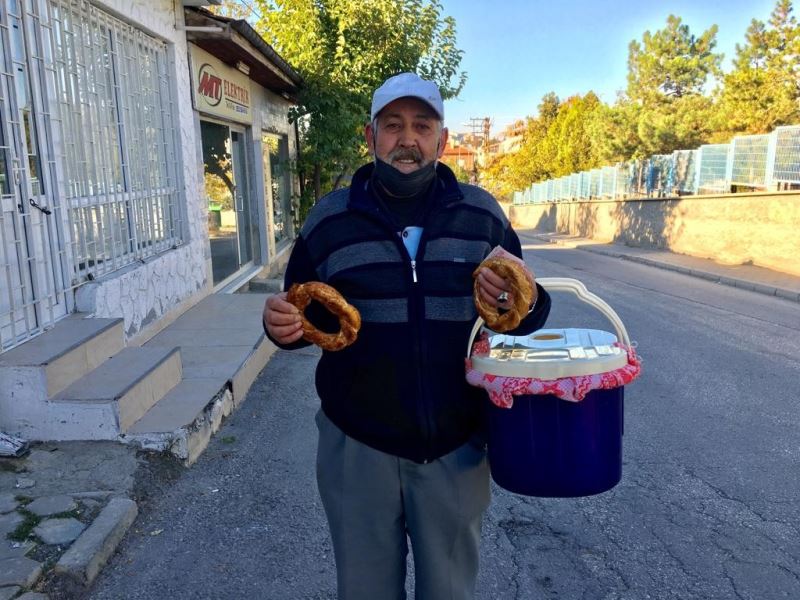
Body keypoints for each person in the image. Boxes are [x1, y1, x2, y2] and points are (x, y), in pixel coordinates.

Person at [262, 72, 551, 600]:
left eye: (422, 125)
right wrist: (280, 328)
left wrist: (513, 302)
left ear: (441, 140)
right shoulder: (330, 219)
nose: (407, 139)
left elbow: (523, 309)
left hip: (455, 448)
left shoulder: (481, 215)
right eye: (392, 125)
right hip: (357, 447)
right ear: (370, 138)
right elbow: (303, 316)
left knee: (450, 593)